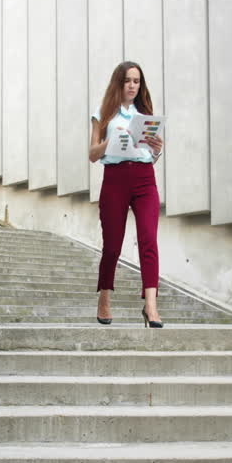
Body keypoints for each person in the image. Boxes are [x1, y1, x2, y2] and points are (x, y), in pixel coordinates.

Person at [89, 61, 165, 328]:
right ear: (118, 83)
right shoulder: (103, 114)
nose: (133, 86)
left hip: (145, 179)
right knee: (112, 245)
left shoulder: (144, 115)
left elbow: (150, 157)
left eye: (137, 81)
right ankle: (104, 298)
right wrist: (111, 141)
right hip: (115, 179)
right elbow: (92, 155)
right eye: (128, 81)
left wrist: (157, 149)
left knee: (149, 241)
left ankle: (151, 306)